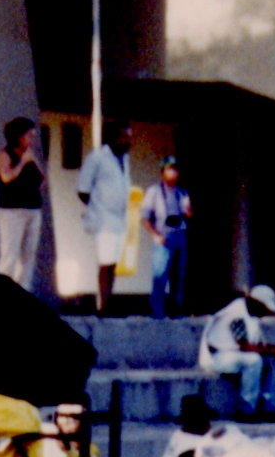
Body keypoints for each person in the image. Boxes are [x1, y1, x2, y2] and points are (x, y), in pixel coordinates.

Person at [197, 281, 275, 417]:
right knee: (254, 360)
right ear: (256, 302)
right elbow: (245, 346)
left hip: (235, 354)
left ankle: (268, 407)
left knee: (271, 360)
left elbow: (256, 345)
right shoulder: (236, 313)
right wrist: (274, 350)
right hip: (217, 357)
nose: (265, 312)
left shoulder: (252, 314)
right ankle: (245, 409)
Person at [76, 124, 131, 308]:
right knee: (105, 262)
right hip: (103, 218)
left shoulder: (125, 159)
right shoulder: (97, 157)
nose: (128, 141)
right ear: (114, 137)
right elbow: (83, 189)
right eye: (124, 136)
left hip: (120, 218)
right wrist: (97, 206)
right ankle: (104, 305)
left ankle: (109, 301)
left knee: (114, 263)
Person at [0, 117, 47, 290]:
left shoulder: (30, 155)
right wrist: (23, 162)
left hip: (32, 209)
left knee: (28, 257)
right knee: (10, 254)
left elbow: (42, 179)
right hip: (12, 212)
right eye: (29, 136)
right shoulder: (5, 154)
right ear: (18, 136)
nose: (32, 140)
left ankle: (23, 292)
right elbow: (6, 177)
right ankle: (1, 294)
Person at [140, 158, 192, 317]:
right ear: (162, 172)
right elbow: (144, 216)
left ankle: (176, 308)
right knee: (160, 274)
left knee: (178, 275)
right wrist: (155, 235)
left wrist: (188, 210)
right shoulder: (154, 191)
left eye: (175, 169)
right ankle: (157, 310)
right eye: (169, 169)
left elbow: (189, 214)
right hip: (163, 234)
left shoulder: (182, 191)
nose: (173, 173)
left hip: (180, 233)